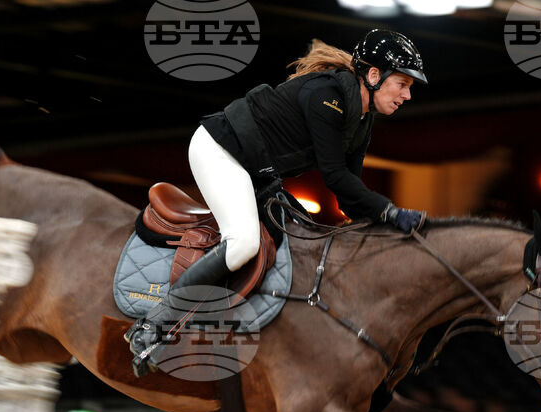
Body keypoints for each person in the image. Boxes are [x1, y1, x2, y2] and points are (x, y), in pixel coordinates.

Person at [127, 29, 429, 375]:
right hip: (220, 150)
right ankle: (155, 323)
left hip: (256, 170)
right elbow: (333, 175)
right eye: (402, 84)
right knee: (242, 245)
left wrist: (383, 229)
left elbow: (349, 190)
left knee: (299, 244)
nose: (407, 95)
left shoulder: (362, 119)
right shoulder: (327, 96)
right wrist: (390, 212)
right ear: (374, 76)